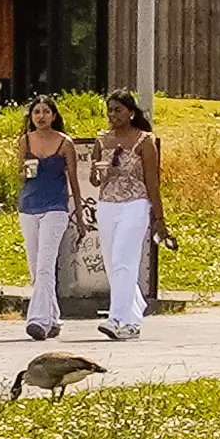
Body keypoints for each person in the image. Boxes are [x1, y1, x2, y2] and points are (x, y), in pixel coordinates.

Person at [89, 89, 166, 340]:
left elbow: (152, 180)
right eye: (110, 110)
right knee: (112, 264)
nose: (113, 115)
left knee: (125, 260)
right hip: (108, 203)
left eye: (118, 110)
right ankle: (133, 315)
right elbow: (94, 178)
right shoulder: (102, 140)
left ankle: (117, 319)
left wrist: (159, 218)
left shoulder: (145, 141)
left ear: (131, 112)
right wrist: (98, 172)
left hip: (135, 203)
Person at [15, 94, 76, 340]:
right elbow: (20, 173)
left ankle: (37, 320)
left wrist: (79, 212)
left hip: (55, 207)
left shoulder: (65, 143)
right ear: (31, 116)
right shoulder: (25, 141)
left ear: (54, 115)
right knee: (35, 267)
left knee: (45, 264)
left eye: (46, 112)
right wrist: (26, 169)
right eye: (37, 112)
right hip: (29, 205)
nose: (41, 117)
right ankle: (52, 317)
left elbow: (73, 179)